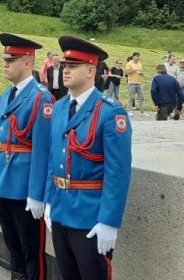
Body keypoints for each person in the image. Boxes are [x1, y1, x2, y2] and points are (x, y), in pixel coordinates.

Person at [39, 36, 132, 280]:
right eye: (64, 65)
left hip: (90, 216)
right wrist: (49, 200)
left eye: (73, 66)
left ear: (91, 70)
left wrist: (109, 221)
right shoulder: (59, 107)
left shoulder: (110, 112)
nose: (65, 70)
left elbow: (118, 173)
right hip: (60, 209)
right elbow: (53, 157)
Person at [0, 33, 53, 280]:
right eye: (5, 58)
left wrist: (37, 194)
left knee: (30, 251)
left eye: (11, 59)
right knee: (13, 246)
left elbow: (42, 150)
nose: (5, 63)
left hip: (24, 187)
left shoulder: (40, 97)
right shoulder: (6, 95)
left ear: (27, 63)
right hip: (3, 182)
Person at [125, 52, 147, 116]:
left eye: (139, 56)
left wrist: (141, 73)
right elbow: (126, 73)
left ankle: (142, 111)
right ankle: (129, 111)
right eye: (137, 56)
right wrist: (133, 70)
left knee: (141, 97)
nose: (138, 58)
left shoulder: (140, 64)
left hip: (139, 82)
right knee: (131, 97)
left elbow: (141, 71)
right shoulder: (129, 63)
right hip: (132, 82)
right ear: (133, 56)